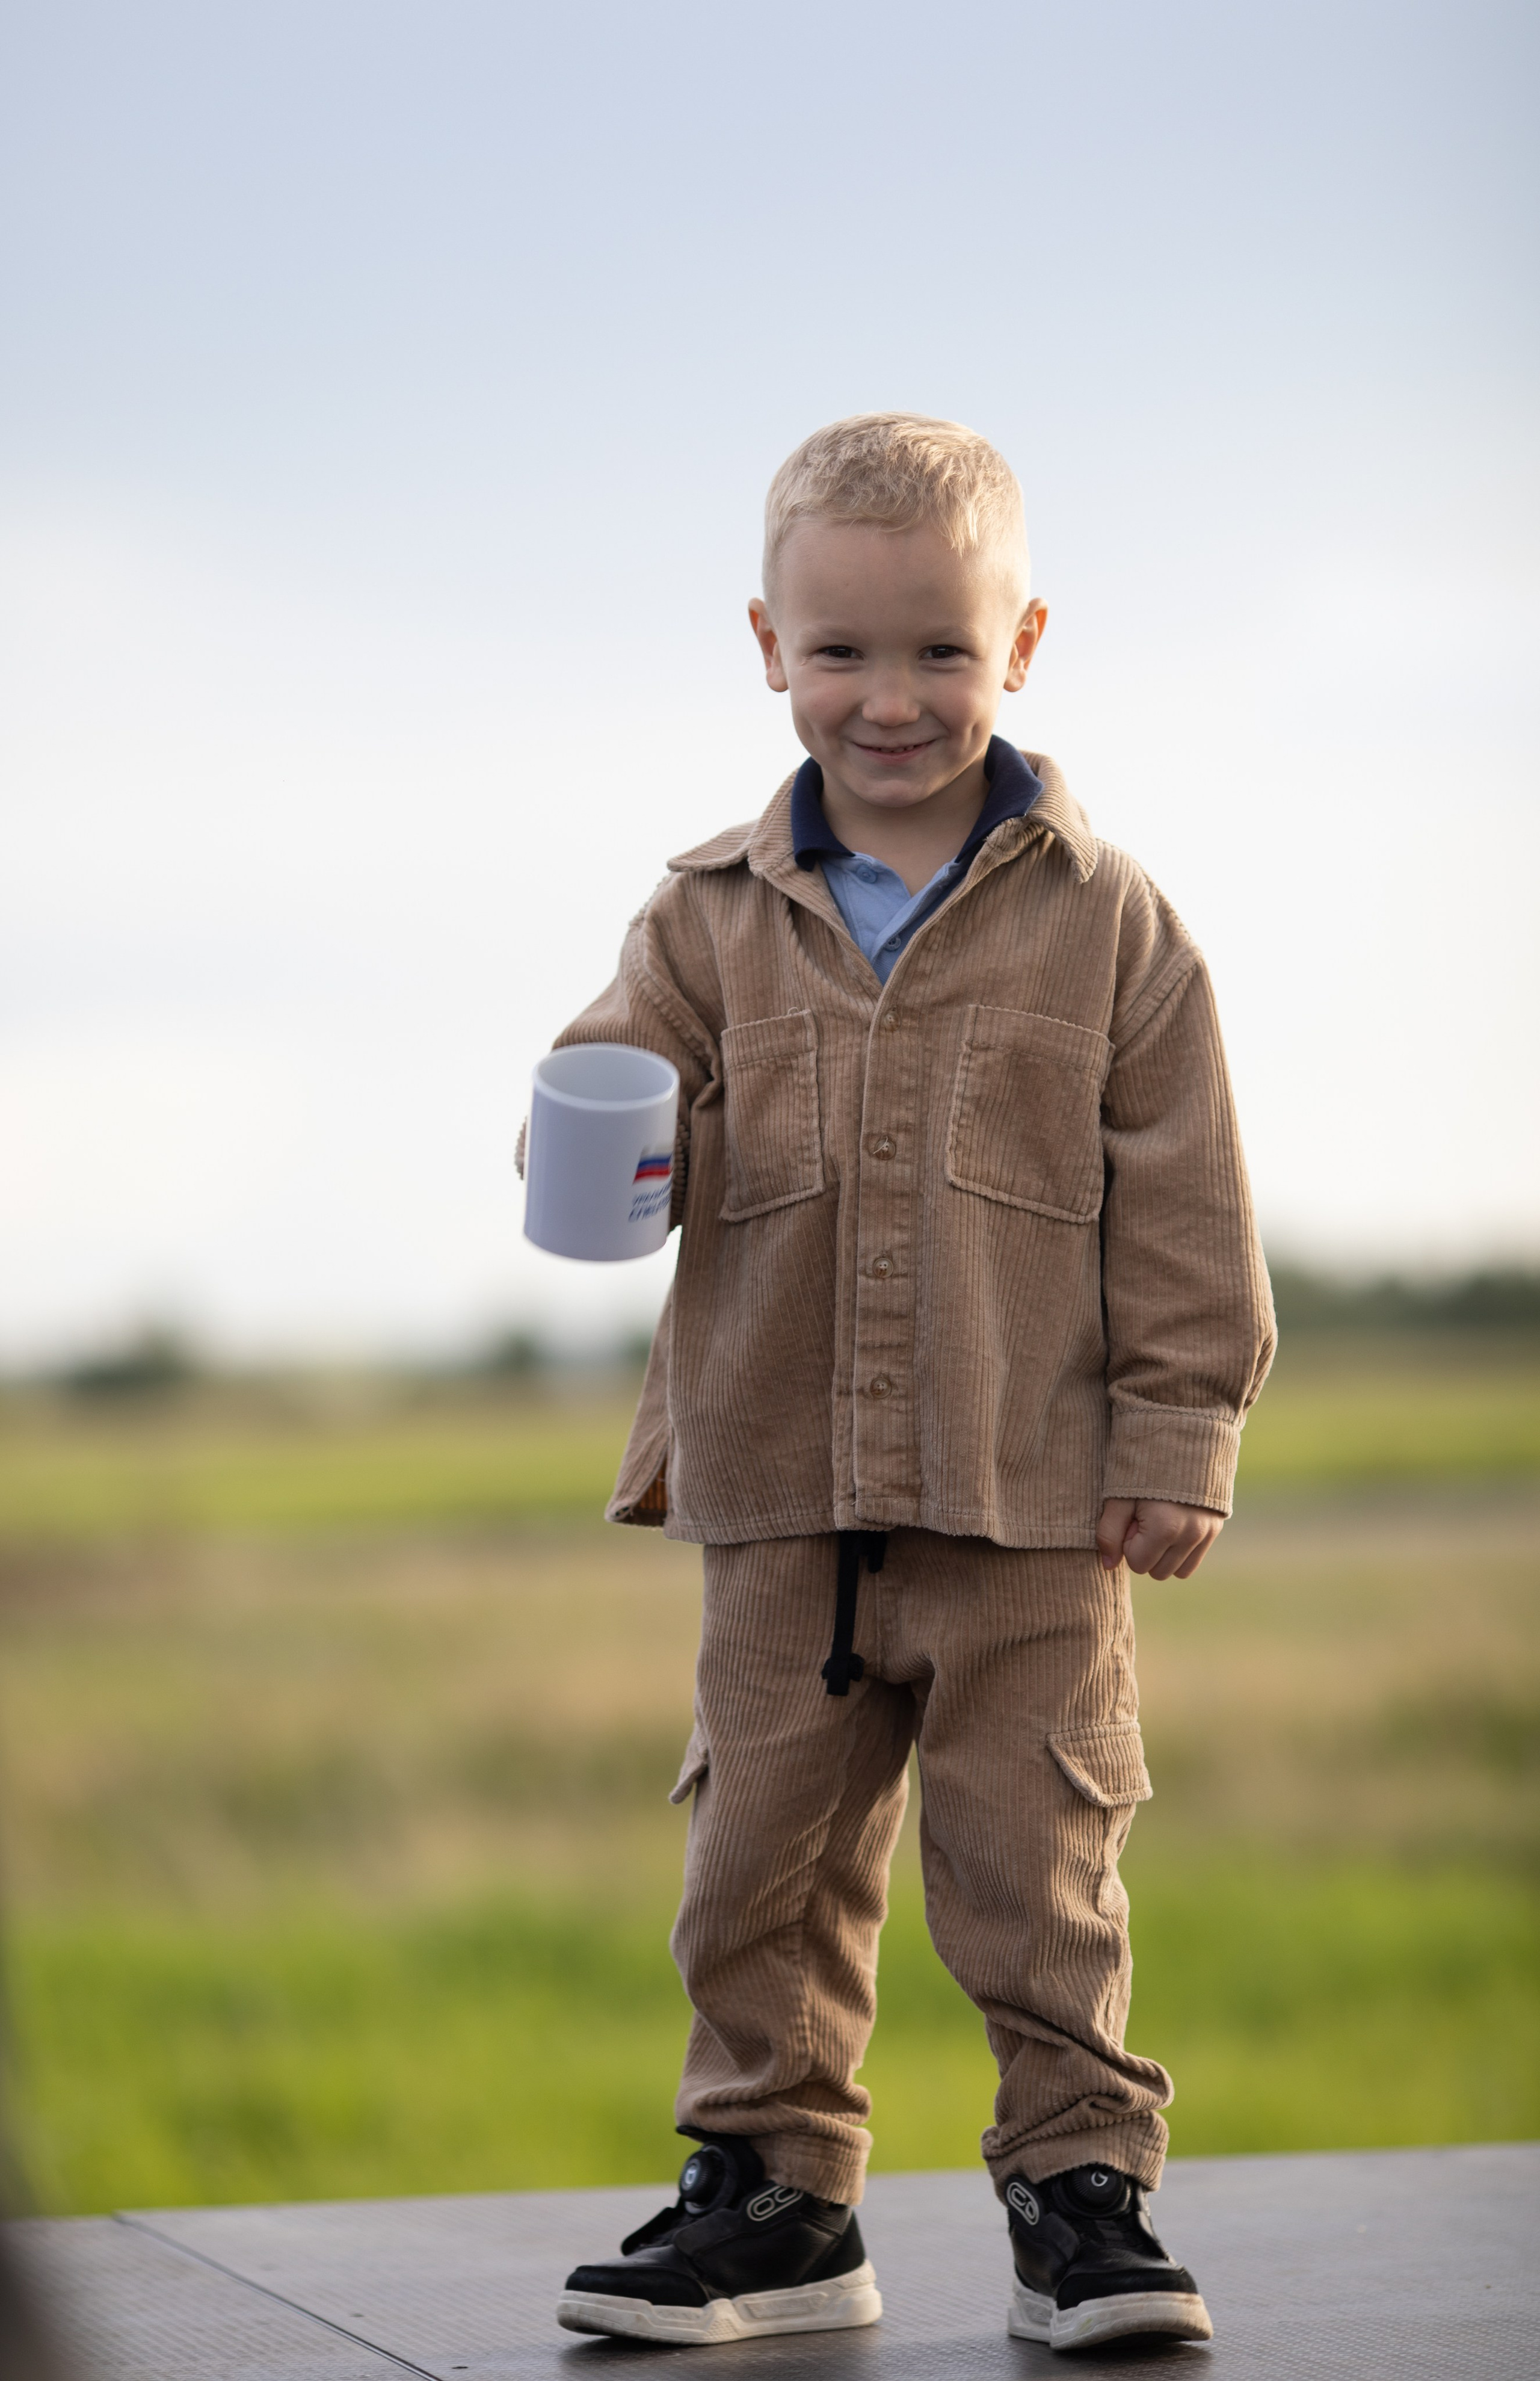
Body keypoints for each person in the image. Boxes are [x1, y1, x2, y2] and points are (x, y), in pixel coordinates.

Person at [543, 413, 1275, 2352]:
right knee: (757, 1863)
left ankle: (1084, 2197)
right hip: (782, 1480)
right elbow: (617, 1116)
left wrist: (1180, 1433)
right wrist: (596, 1140)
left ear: (1021, 645)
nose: (891, 697)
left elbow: (1190, 1199)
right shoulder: (701, 921)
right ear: (767, 647)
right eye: (843, 651)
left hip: (1033, 1488)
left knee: (1040, 1862)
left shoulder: (1110, 923)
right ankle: (775, 2201)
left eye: (940, 652)